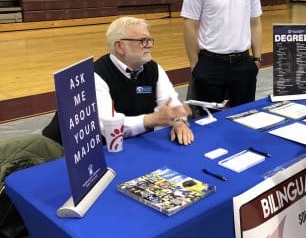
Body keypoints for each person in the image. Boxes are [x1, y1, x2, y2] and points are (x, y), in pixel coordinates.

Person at [43, 16, 194, 145]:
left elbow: (170, 102)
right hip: (62, 151)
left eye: (149, 40)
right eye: (142, 41)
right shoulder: (95, 75)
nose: (149, 46)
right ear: (120, 46)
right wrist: (152, 120)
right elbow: (109, 127)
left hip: (122, 146)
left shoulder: (152, 68)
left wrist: (178, 121)